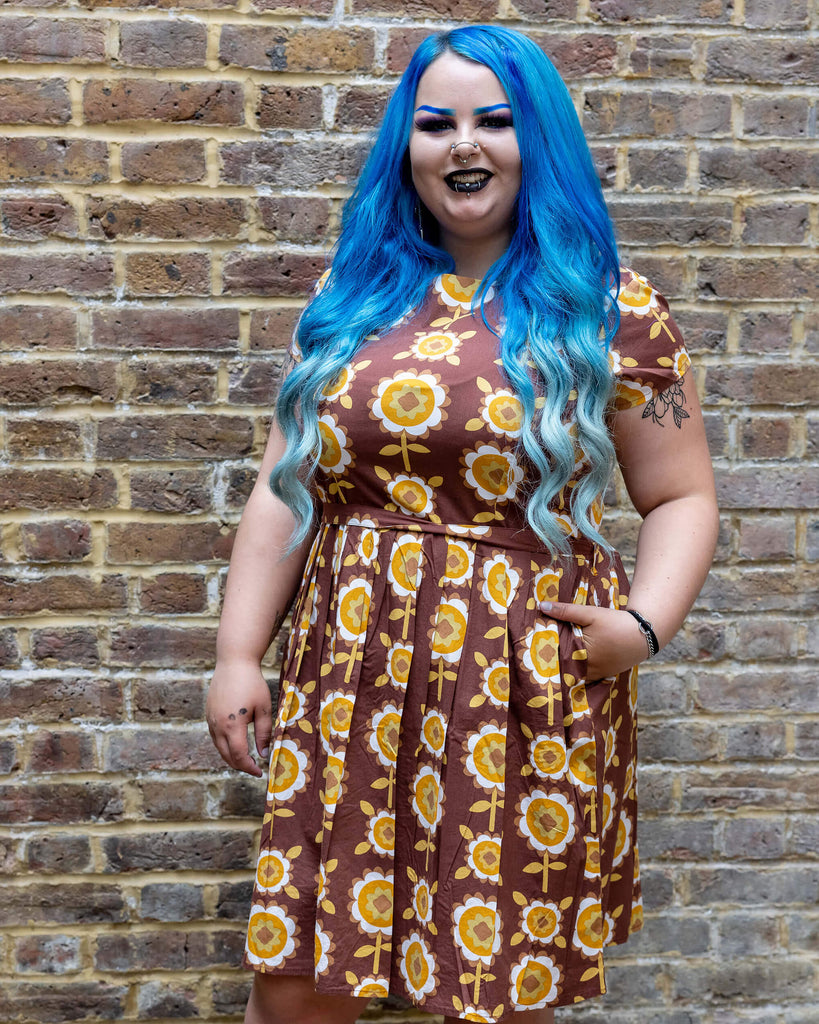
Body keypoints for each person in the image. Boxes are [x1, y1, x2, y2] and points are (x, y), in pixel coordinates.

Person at [206, 24, 719, 1024]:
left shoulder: (609, 309)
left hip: (518, 683)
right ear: (408, 146)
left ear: (540, 144)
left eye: (495, 120)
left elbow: (682, 496)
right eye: (435, 123)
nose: (462, 144)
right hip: (349, 676)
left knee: (490, 975)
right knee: (300, 977)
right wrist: (237, 652)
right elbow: (284, 487)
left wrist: (646, 625)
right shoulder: (352, 301)